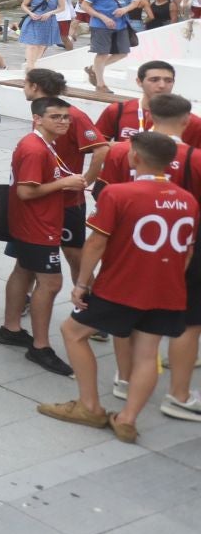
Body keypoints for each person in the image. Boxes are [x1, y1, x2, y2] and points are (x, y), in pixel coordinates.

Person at [40, 131, 198, 444]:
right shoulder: (188, 199)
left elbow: (97, 242)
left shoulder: (119, 193)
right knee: (147, 352)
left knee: (73, 332)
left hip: (123, 286)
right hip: (167, 289)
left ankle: (89, 406)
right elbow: (188, 251)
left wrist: (82, 283)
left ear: (135, 157)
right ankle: (127, 420)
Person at [0, 97, 82, 375]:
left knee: (23, 270)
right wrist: (65, 183)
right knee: (51, 284)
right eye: (55, 117)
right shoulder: (36, 149)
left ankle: (10, 328)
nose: (63, 122)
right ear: (37, 119)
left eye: (66, 117)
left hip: (33, 224)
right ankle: (40, 346)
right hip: (37, 227)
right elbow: (26, 191)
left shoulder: (44, 144)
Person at [82, 0, 140, 94]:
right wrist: (103, 17)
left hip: (121, 23)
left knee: (123, 52)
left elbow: (135, 1)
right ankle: (100, 84)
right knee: (102, 53)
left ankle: (93, 68)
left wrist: (125, 9)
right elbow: (85, 5)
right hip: (100, 25)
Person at [20, 0, 62, 71]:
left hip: (48, 21)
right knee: (31, 45)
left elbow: (61, 8)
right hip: (33, 20)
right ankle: (29, 67)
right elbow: (24, 5)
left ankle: (33, 65)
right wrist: (30, 13)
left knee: (41, 45)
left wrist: (50, 13)